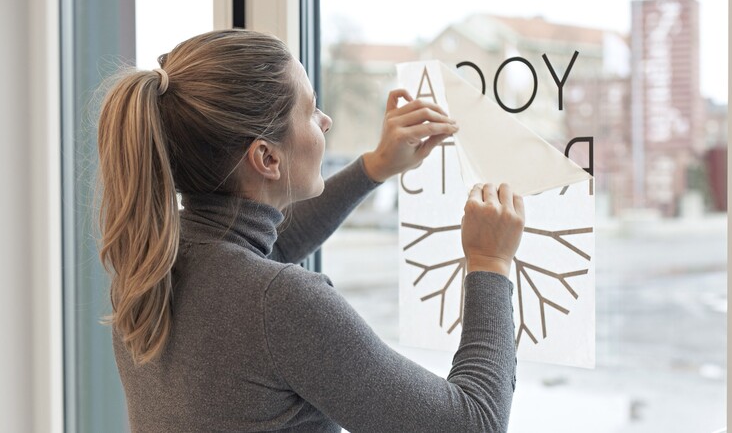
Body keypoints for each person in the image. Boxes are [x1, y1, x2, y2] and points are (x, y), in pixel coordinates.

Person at [98, 29, 525, 432]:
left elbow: (268, 250)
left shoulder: (151, 269)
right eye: (310, 108)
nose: (326, 121)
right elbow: (473, 424)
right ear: (266, 158)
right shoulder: (279, 303)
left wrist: (375, 166)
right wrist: (490, 263)